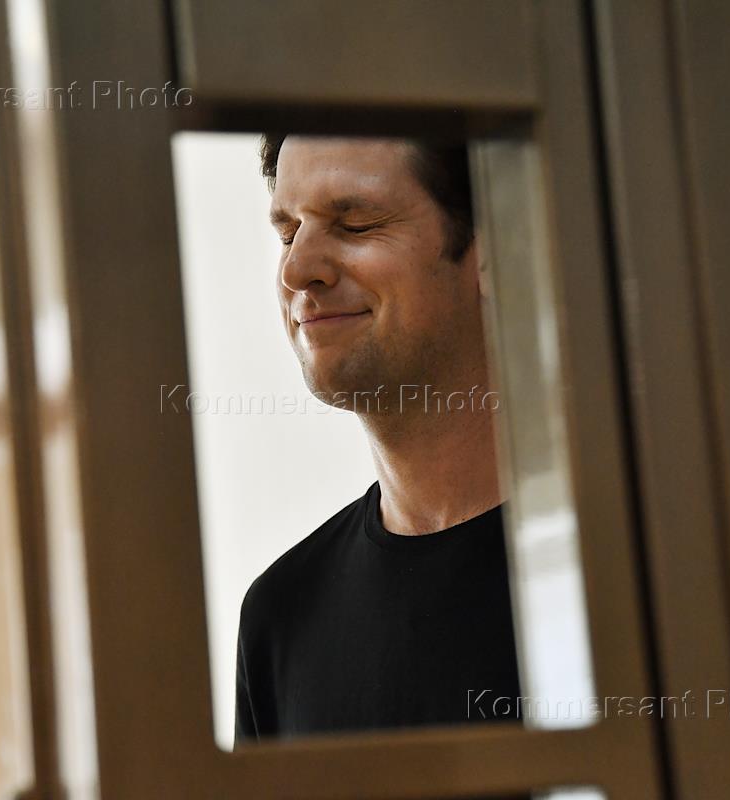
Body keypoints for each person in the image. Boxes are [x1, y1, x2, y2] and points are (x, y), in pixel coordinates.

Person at [233, 134, 523, 745]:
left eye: (355, 224)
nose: (295, 271)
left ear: (492, 244)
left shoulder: (636, 558)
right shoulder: (281, 618)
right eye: (288, 233)